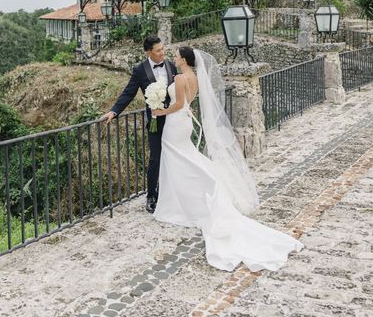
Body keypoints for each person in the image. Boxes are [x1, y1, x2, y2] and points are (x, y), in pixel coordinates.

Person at [150, 46, 303, 271]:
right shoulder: (194, 77)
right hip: (185, 122)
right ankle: (195, 191)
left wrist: (158, 111)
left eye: (176, 55)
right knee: (185, 158)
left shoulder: (182, 77)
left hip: (175, 123)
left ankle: (182, 200)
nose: (173, 57)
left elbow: (179, 104)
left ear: (183, 59)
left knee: (177, 160)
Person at [101, 35, 177, 213]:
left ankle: (171, 192)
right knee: (155, 158)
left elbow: (178, 90)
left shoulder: (170, 65)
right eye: (158, 50)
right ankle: (151, 195)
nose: (162, 53)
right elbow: (128, 93)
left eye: (162, 49)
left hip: (173, 118)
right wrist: (114, 111)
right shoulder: (139, 70)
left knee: (173, 156)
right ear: (148, 52)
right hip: (155, 121)